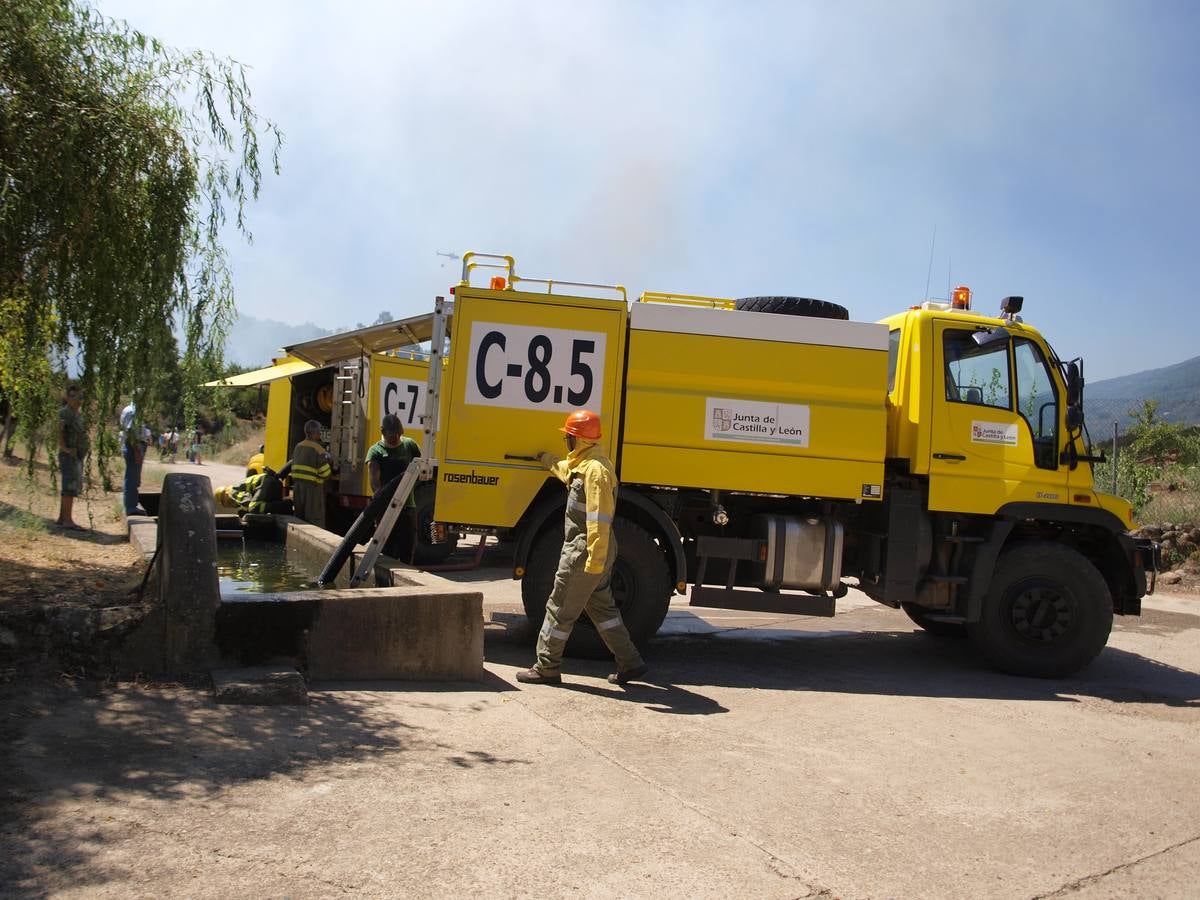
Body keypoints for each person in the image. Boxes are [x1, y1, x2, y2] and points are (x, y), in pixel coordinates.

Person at [516, 410, 647, 686]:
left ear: (578, 439)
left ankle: (546, 667)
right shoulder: (585, 464)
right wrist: (546, 459)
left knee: (559, 608)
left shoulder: (595, 472)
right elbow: (564, 470)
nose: (566, 440)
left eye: (568, 436)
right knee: (603, 609)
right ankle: (631, 662)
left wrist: (594, 560)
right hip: (593, 551)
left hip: (584, 552)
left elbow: (599, 519)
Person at [364, 413, 421, 563]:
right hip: (386, 508)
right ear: (383, 432)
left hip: (407, 506)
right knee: (387, 548)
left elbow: (421, 465)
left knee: (407, 547)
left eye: (398, 434)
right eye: (392, 435)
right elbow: (373, 476)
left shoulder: (409, 445)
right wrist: (378, 491)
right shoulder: (376, 451)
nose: (395, 438)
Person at [56, 384, 89, 530]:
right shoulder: (66, 413)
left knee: (70, 487)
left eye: (81, 397)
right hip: (69, 456)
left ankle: (62, 518)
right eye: (75, 397)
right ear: (68, 398)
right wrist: (65, 448)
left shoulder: (77, 414)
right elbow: (59, 431)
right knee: (69, 488)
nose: (79, 400)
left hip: (76, 456)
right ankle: (67, 521)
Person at [291, 419, 333, 527]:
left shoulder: (298, 446)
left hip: (297, 487)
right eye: (319, 432)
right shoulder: (318, 449)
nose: (320, 434)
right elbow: (325, 473)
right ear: (315, 433)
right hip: (313, 489)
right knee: (315, 520)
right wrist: (329, 463)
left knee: (299, 519)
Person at [119, 401, 148, 515]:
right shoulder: (133, 411)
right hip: (133, 447)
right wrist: (137, 451)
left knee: (133, 477)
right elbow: (131, 432)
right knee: (132, 478)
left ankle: (132, 505)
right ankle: (130, 507)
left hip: (132, 446)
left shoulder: (130, 409)